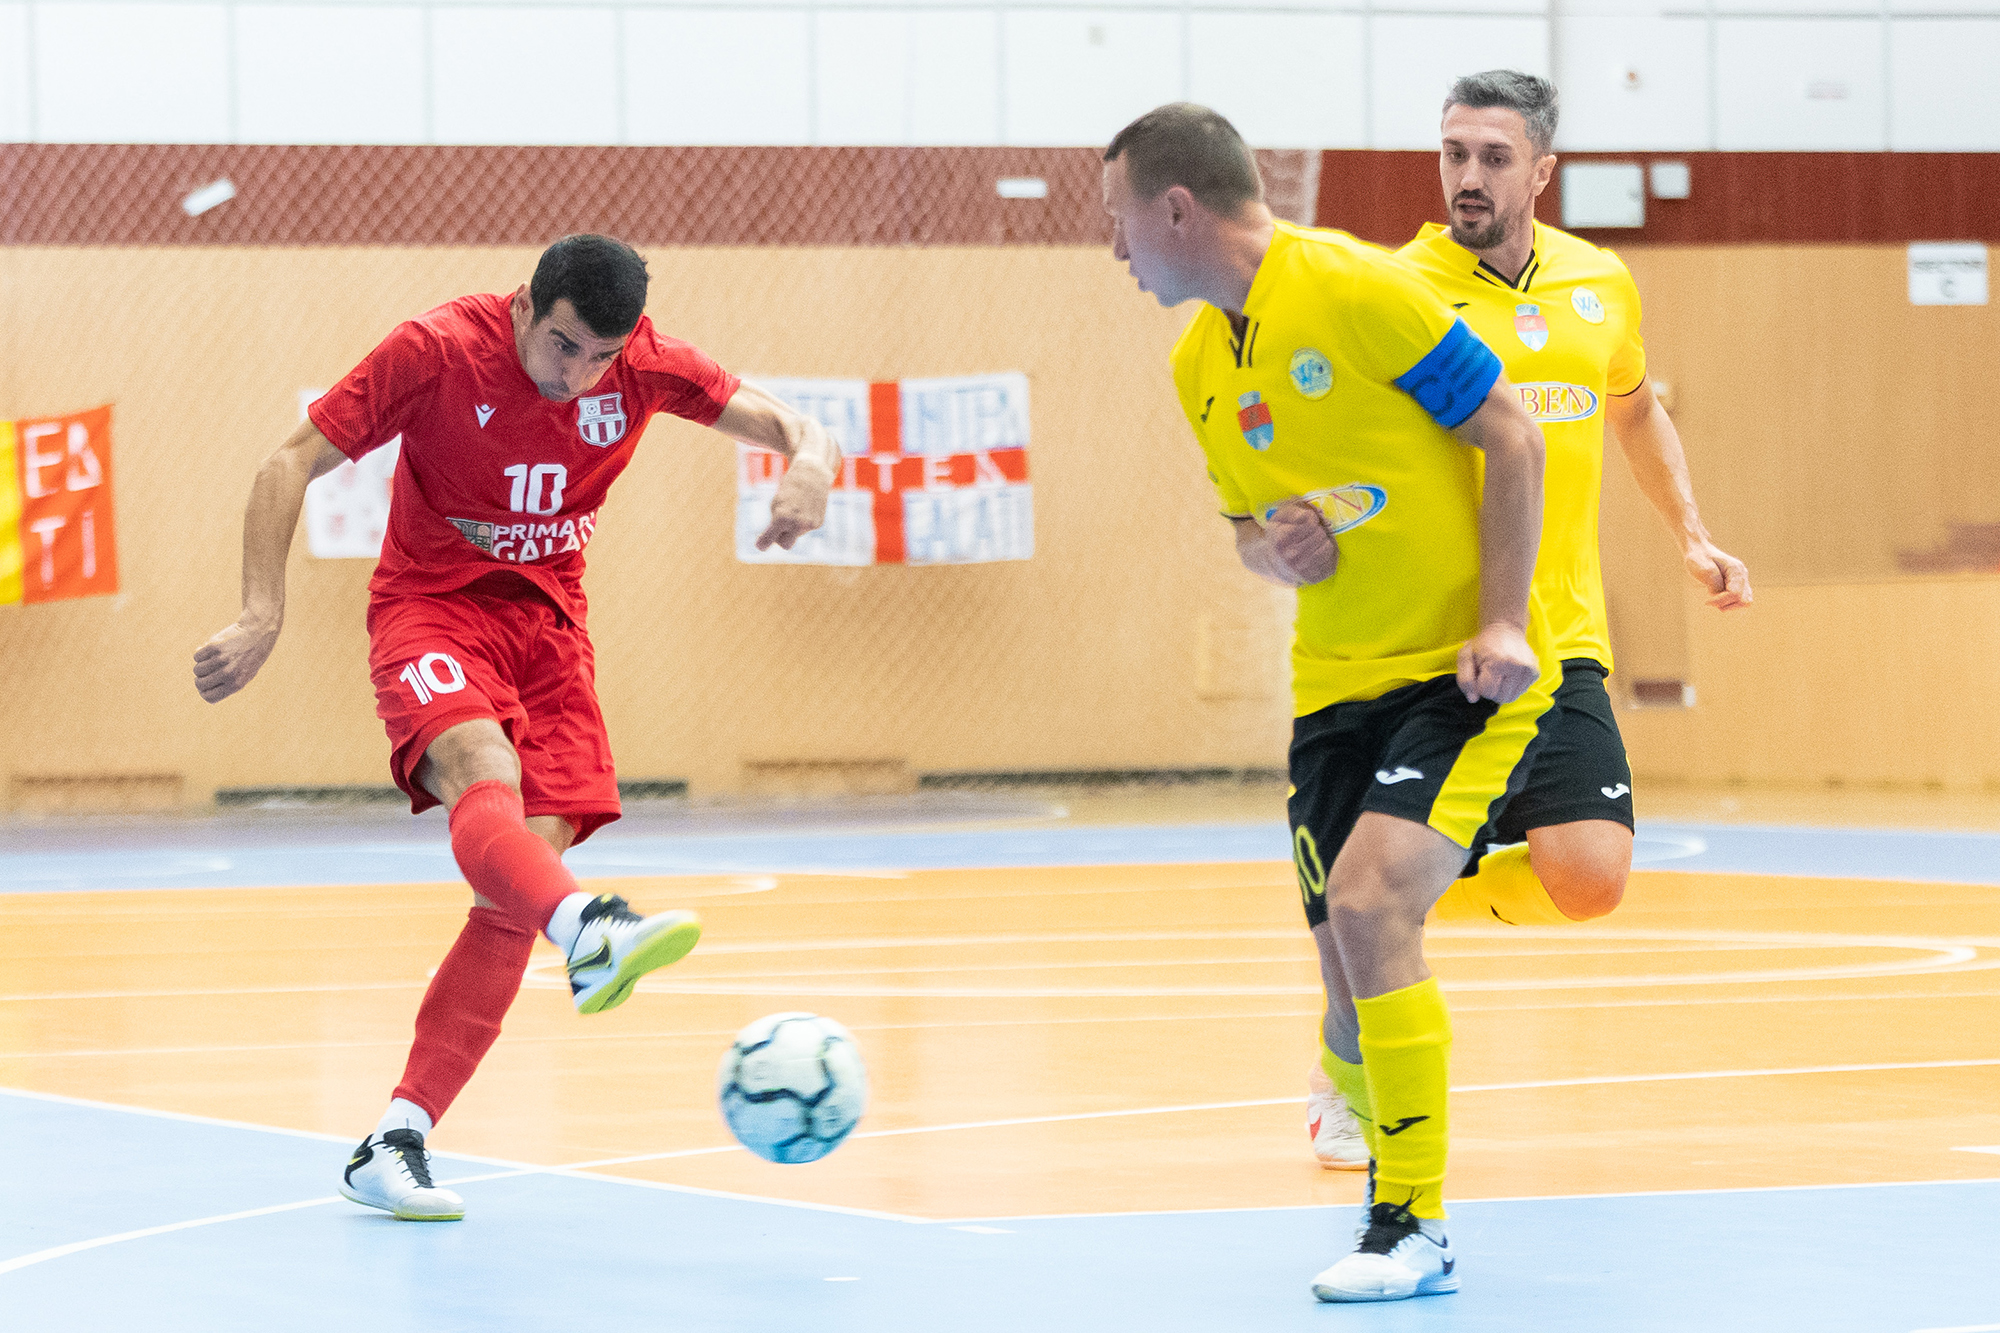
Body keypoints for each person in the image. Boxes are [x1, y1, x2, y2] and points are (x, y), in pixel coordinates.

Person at [191, 234, 839, 1221]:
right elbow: (291, 460)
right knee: (477, 766)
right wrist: (260, 611)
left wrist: (812, 467)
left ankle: (396, 1137)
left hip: (551, 635)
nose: (578, 376)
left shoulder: (645, 369)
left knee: (512, 890)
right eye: (564, 346)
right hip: (431, 610)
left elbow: (795, 424)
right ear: (525, 311)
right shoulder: (437, 351)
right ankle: (592, 927)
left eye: (600, 358)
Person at [1104, 102, 1554, 1302]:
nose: (1115, 251)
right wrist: (1278, 550)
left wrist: (1502, 620)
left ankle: (1410, 1225)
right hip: (1330, 697)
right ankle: (1364, 1118)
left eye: (1119, 222)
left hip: (1456, 674)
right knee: (1348, 990)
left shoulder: (1356, 287)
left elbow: (1510, 434)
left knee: (1367, 905)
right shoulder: (1196, 362)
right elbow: (1251, 536)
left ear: (1176, 210)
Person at [1306, 70, 1754, 1171]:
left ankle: (1418, 903)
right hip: (1428, 646)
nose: (1466, 175)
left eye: (1491, 157)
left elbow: (1637, 413)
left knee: (1589, 880)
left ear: (1540, 171)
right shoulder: (1397, 287)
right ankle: (1343, 1074)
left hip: (1559, 641)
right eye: (1452, 152)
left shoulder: (1599, 287)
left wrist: (1691, 533)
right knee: (1371, 909)